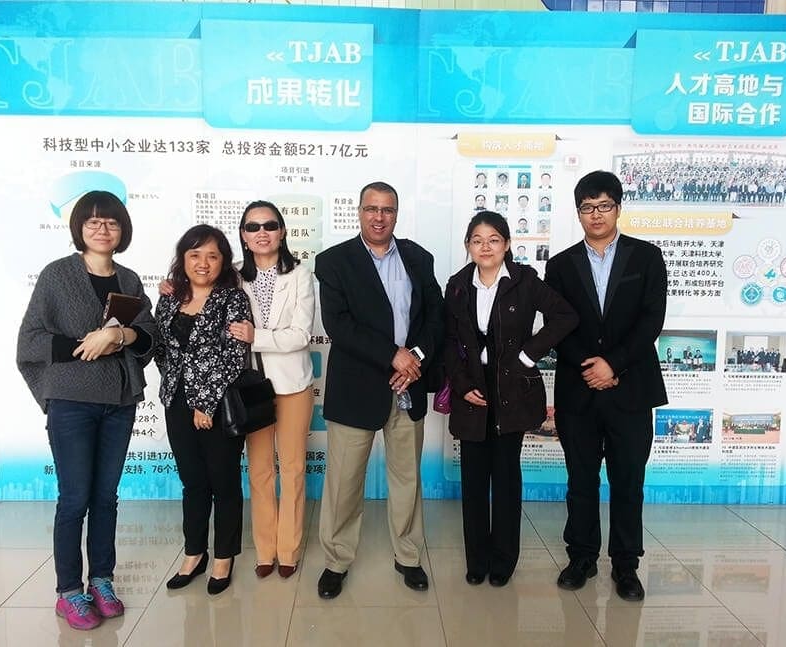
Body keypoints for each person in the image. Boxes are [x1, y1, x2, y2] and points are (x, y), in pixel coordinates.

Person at [17, 191, 157, 630]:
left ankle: (101, 579)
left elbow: (148, 334)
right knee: (75, 498)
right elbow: (31, 340)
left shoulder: (130, 280)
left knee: (105, 497)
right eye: (93, 222)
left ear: (123, 231)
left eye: (111, 223)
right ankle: (69, 592)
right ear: (79, 227)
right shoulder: (57, 275)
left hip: (118, 402)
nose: (102, 229)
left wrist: (117, 339)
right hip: (72, 402)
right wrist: (86, 346)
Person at [315, 181, 443, 600]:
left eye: (387, 209)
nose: (378, 217)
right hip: (357, 389)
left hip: (410, 384)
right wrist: (394, 355)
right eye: (371, 208)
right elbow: (339, 325)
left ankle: (408, 556)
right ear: (359, 211)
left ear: (396, 213)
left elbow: (435, 317)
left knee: (407, 478)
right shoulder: (334, 262)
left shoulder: (419, 258)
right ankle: (336, 560)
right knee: (344, 482)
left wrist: (415, 358)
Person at [545, 170, 667, 602]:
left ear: (618, 207)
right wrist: (590, 366)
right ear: (577, 212)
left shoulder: (646, 258)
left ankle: (626, 565)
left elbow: (651, 320)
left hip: (630, 387)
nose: (595, 214)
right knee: (580, 478)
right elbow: (560, 325)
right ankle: (581, 558)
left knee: (628, 479)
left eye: (603, 206)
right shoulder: (559, 265)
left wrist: (613, 364)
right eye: (586, 207)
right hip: (579, 390)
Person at [444, 211, 577, 587]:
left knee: (505, 478)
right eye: (477, 240)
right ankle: (477, 559)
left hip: (511, 390)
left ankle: (503, 559)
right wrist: (460, 381)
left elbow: (565, 316)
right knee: (473, 479)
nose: (485, 247)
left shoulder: (525, 281)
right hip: (471, 389)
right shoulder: (457, 285)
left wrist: (527, 354)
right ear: (468, 245)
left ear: (506, 245)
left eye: (493, 240)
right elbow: (448, 341)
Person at [155, 224, 251, 596]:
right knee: (192, 482)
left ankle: (224, 557)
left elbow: (232, 355)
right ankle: (194, 553)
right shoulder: (169, 296)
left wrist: (204, 400)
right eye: (195, 254)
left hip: (216, 404)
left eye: (212, 255)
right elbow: (163, 350)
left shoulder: (232, 298)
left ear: (223, 261)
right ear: (183, 258)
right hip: (175, 401)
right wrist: (179, 390)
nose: (203, 262)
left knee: (223, 483)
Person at [231, 201, 315, 580]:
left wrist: (256, 337)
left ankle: (288, 548)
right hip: (251, 387)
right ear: (244, 237)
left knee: (294, 469)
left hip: (293, 384)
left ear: (282, 232)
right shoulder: (231, 277)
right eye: (252, 226)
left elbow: (300, 335)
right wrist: (172, 286)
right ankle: (265, 549)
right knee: (260, 471)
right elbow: (196, 290)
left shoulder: (300, 275)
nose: (261, 232)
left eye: (269, 225)